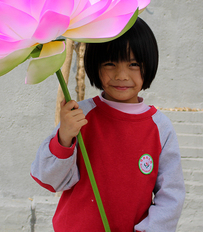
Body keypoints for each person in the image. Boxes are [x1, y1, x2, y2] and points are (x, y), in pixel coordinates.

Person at [31, 17, 185, 232]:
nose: (122, 75)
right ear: (95, 65)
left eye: (133, 64)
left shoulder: (159, 127)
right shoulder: (79, 116)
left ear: (148, 65)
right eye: (110, 63)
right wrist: (64, 138)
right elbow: (48, 180)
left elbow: (171, 195)